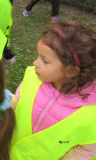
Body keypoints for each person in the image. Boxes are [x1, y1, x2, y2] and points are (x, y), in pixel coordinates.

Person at [8, 20, 96, 159]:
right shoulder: (33, 77)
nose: (35, 63)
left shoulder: (90, 114)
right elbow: (19, 102)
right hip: (9, 151)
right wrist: (9, 100)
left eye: (45, 60)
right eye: (38, 56)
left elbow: (87, 149)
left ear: (71, 71)